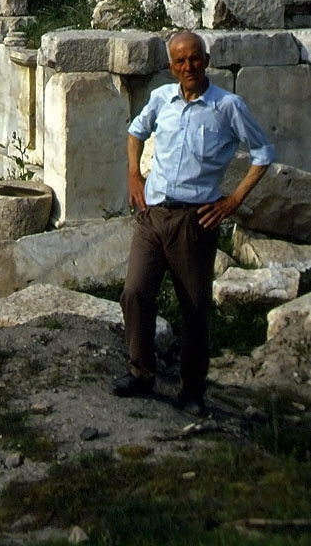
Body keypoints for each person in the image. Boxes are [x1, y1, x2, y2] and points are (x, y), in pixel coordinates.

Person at [113, 30, 275, 416]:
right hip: (153, 215)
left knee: (195, 308)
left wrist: (234, 200)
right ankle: (142, 372)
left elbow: (263, 152)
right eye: (181, 61)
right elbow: (136, 131)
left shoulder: (227, 106)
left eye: (195, 59)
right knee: (135, 292)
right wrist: (134, 175)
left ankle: (192, 390)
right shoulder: (161, 99)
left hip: (194, 220)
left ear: (206, 59)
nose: (189, 67)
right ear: (171, 66)